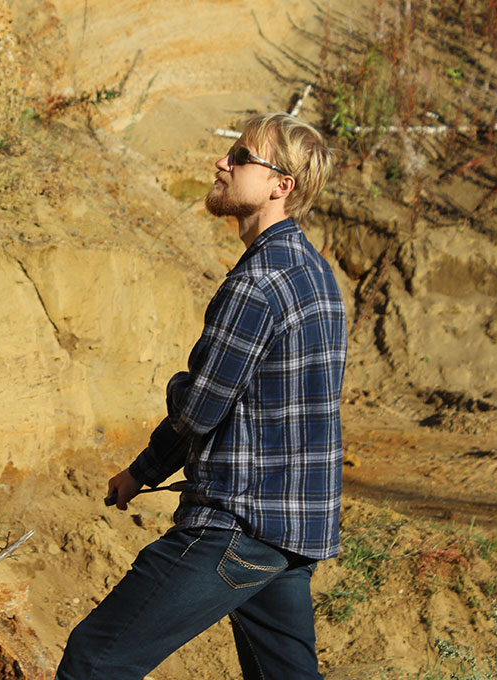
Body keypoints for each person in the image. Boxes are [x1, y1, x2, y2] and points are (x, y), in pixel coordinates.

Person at [56, 112, 345, 679]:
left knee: (95, 659)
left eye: (240, 158)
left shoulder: (258, 282)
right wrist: (143, 471)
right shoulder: (316, 274)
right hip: (289, 532)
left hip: (236, 523)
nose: (223, 163)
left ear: (279, 186)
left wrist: (180, 383)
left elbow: (198, 409)